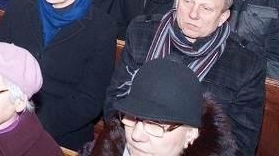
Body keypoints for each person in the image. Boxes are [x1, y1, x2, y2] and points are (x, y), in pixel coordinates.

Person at [104, 0, 266, 155]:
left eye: (206, 8)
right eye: (188, 2)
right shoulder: (142, 33)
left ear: (223, 17)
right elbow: (115, 101)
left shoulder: (245, 63)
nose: (193, 14)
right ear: (177, 0)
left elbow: (241, 143)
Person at [0, 0, 117, 149]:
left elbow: (90, 100)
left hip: (62, 128)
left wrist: (32, 122)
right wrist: (6, 109)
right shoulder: (20, 4)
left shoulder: (102, 28)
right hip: (8, 109)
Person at [83, 58, 238, 156]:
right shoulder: (101, 150)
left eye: (155, 125)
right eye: (132, 119)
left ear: (190, 134)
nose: (136, 136)